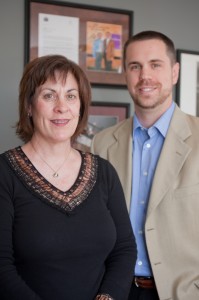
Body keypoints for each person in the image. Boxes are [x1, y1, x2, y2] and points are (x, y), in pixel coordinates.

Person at [0, 54, 137, 300]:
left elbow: (124, 249)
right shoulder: (4, 173)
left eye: (71, 96)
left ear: (81, 106)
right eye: (49, 95)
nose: (61, 106)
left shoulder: (104, 172)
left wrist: (108, 296)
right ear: (29, 106)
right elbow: (1, 267)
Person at [91, 30, 199, 300]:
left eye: (155, 65)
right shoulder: (101, 144)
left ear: (174, 73)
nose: (144, 76)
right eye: (135, 66)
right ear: (125, 74)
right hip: (115, 290)